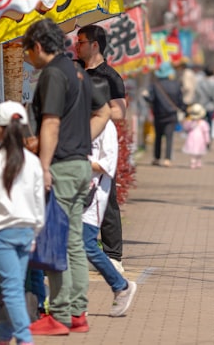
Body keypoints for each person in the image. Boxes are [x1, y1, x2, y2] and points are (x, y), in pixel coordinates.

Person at [22, 18, 110, 336]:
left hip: (60, 167)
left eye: (26, 50)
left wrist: (44, 165)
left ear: (37, 46)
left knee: (57, 240)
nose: (26, 57)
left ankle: (58, 314)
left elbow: (51, 122)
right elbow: (105, 112)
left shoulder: (53, 74)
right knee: (73, 240)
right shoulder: (78, 72)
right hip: (80, 165)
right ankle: (77, 312)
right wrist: (81, 139)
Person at [0, 101, 46, 345]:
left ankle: (25, 340)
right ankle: (1, 337)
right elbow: (39, 202)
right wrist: (35, 233)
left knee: (12, 289)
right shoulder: (33, 161)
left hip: (2, 233)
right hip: (26, 232)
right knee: (14, 287)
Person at [75, 24, 127, 274]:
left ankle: (113, 255)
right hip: (72, 140)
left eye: (81, 41)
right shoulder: (72, 69)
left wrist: (95, 110)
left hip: (99, 144)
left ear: (95, 45)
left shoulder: (110, 76)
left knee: (107, 198)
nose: (77, 45)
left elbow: (120, 111)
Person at [82, 116, 137, 317]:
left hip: (93, 196)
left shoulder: (107, 128)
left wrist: (77, 162)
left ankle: (120, 285)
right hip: (71, 191)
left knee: (84, 244)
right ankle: (75, 306)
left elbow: (107, 165)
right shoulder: (75, 119)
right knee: (72, 247)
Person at [143, 62, 184, 167]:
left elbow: (151, 99)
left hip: (159, 115)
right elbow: (180, 101)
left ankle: (157, 158)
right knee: (169, 137)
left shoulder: (155, 85)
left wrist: (145, 96)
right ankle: (167, 159)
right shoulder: (176, 84)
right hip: (171, 115)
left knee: (158, 137)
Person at [181, 103, 211, 169]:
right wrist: (207, 140)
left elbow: (185, 128)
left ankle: (193, 162)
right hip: (200, 139)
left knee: (193, 153)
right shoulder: (203, 123)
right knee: (198, 152)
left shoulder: (191, 122)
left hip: (192, 138)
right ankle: (197, 162)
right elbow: (206, 133)